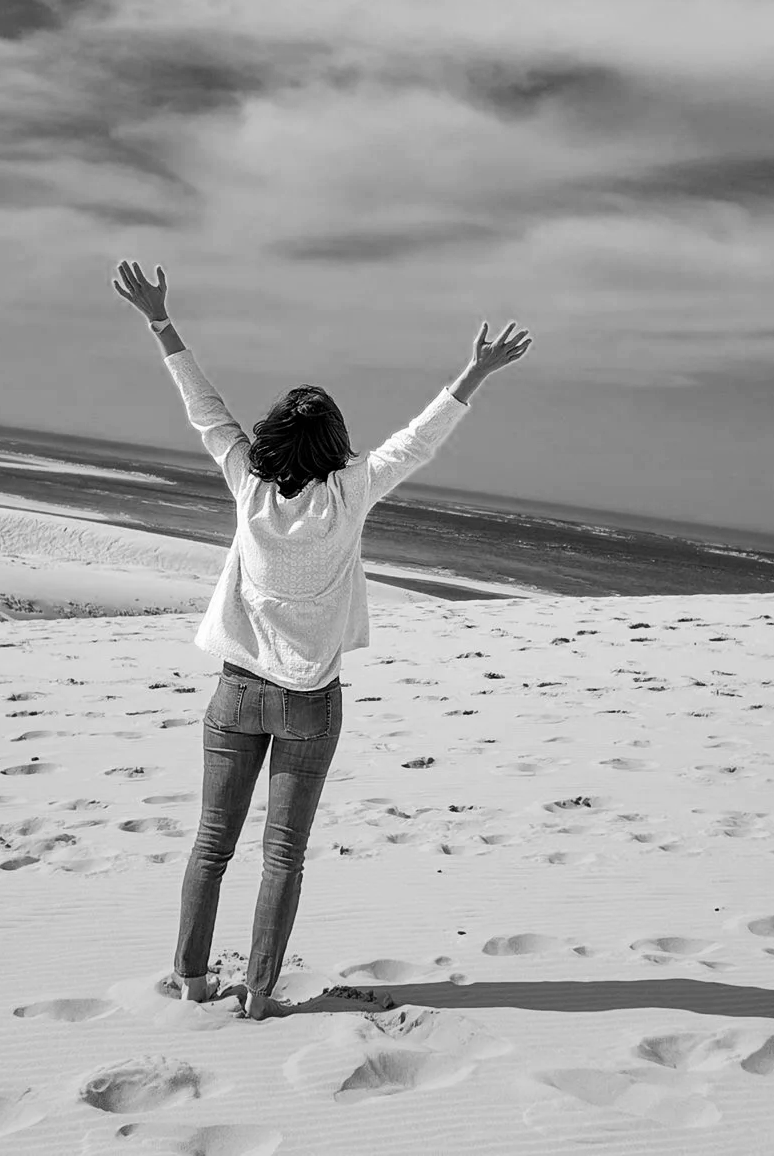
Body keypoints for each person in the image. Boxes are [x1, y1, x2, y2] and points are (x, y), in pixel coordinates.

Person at [110, 259, 532, 1020]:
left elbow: (204, 409)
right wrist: (474, 374)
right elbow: (417, 442)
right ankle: (260, 997)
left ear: (271, 438)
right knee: (282, 856)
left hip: (237, 694)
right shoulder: (352, 492)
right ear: (335, 442)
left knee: (212, 846)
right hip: (310, 704)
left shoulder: (249, 484)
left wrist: (160, 320)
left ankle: (194, 978)